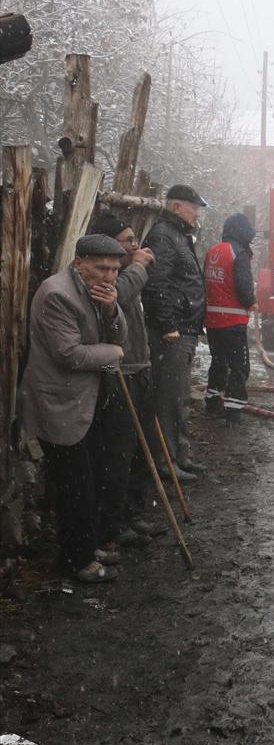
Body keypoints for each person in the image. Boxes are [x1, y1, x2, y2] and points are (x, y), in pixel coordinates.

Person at [20, 235, 128, 582]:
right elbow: (69, 355)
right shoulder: (57, 295)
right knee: (74, 486)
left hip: (89, 400)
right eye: (101, 267)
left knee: (93, 476)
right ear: (79, 262)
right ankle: (76, 562)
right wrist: (113, 355)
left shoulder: (100, 292)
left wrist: (112, 309)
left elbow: (118, 334)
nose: (109, 276)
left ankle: (86, 545)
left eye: (114, 269)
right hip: (61, 403)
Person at [89, 211, 161, 542]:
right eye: (127, 241)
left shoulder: (124, 270)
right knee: (118, 453)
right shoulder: (106, 277)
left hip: (139, 368)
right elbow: (122, 291)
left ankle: (133, 512)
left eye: (135, 240)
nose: (135, 246)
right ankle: (113, 523)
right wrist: (139, 265)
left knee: (140, 450)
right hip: (120, 373)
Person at [142, 184, 207, 481]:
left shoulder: (179, 235)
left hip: (185, 328)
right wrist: (168, 325)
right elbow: (157, 284)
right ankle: (165, 461)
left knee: (179, 396)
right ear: (177, 206)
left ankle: (180, 455)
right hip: (174, 331)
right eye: (194, 207)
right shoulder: (164, 236)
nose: (197, 213)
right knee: (168, 398)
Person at [203, 213, 256, 424]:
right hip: (232, 322)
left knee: (219, 362)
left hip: (213, 321)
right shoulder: (238, 253)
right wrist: (251, 301)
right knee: (239, 365)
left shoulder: (213, 250)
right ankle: (233, 409)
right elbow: (243, 286)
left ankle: (213, 400)